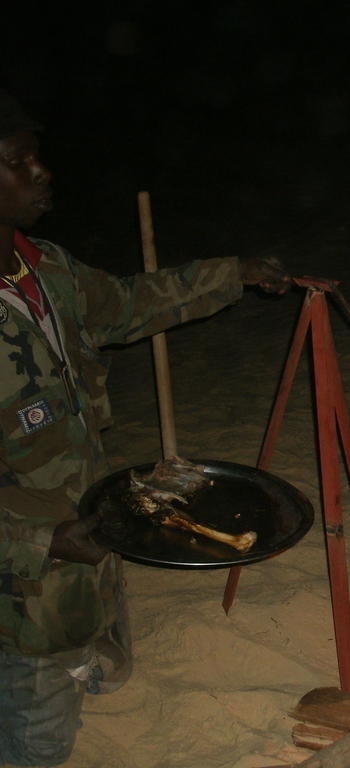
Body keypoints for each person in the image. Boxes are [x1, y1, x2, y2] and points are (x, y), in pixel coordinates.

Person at [0, 90, 290, 766]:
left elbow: (128, 305)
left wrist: (234, 275)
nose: (42, 173)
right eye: (19, 162)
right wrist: (42, 541)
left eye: (37, 157)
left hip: (83, 527)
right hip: (23, 577)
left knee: (102, 650)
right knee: (36, 740)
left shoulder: (44, 270)